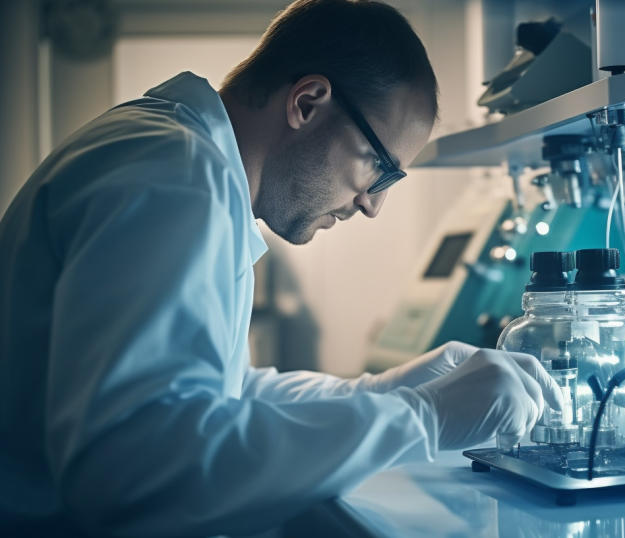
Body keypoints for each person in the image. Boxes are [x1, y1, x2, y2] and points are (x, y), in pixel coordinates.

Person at [0, 0, 562, 535]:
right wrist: (423, 417)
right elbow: (133, 471)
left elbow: (218, 397)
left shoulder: (176, 157)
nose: (372, 204)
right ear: (308, 103)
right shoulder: (178, 175)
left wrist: (383, 392)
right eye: (380, 168)